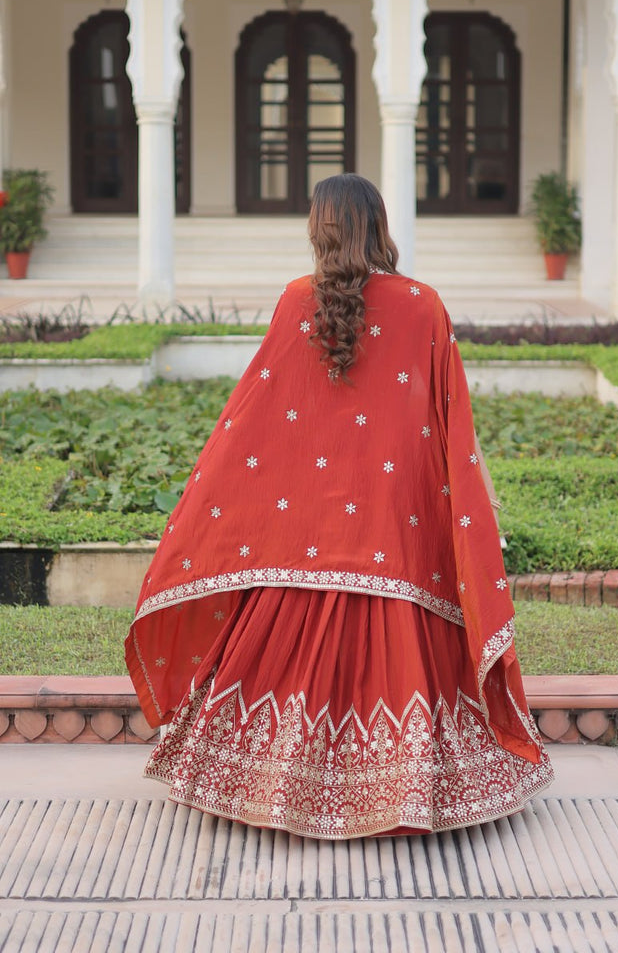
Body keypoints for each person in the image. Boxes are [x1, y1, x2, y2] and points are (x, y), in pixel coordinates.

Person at [125, 173, 553, 840]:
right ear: (378, 227)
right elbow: (449, 423)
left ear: (318, 229)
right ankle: (404, 791)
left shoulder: (296, 301)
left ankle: (272, 784)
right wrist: (472, 498)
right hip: (396, 522)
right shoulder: (423, 306)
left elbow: (255, 420)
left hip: (309, 530)